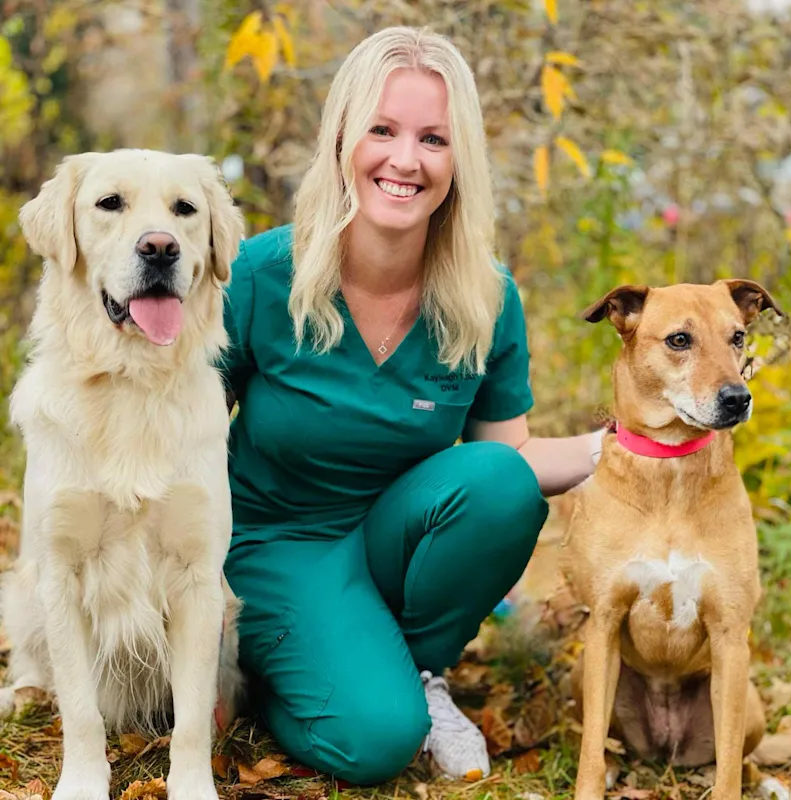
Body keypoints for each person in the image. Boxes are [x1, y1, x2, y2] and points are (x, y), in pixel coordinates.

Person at [220, 25, 602, 786]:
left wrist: (635, 446)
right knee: (379, 741)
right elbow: (178, 436)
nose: (405, 160)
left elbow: (511, 458)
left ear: (459, 161)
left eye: (433, 139)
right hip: (278, 548)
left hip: (393, 541)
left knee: (498, 482)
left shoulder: (486, 296)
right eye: (382, 131)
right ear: (342, 138)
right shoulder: (260, 274)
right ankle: (269, 672)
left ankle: (419, 668)